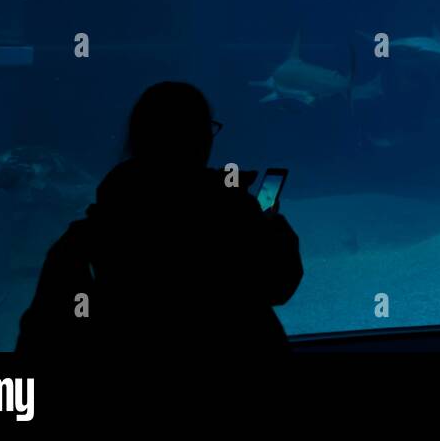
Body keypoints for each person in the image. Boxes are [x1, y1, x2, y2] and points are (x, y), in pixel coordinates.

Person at [17, 82, 303, 354]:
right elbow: (280, 285)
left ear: (136, 139)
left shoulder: (88, 233)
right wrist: (268, 223)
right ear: (201, 138)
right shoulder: (235, 213)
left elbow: (38, 335)